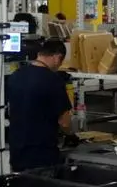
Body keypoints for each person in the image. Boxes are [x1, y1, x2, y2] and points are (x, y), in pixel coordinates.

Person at [7, 39, 72, 171]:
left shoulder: (15, 76)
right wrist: (70, 134)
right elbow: (65, 122)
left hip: (17, 152)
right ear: (57, 57)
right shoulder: (53, 80)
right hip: (42, 155)